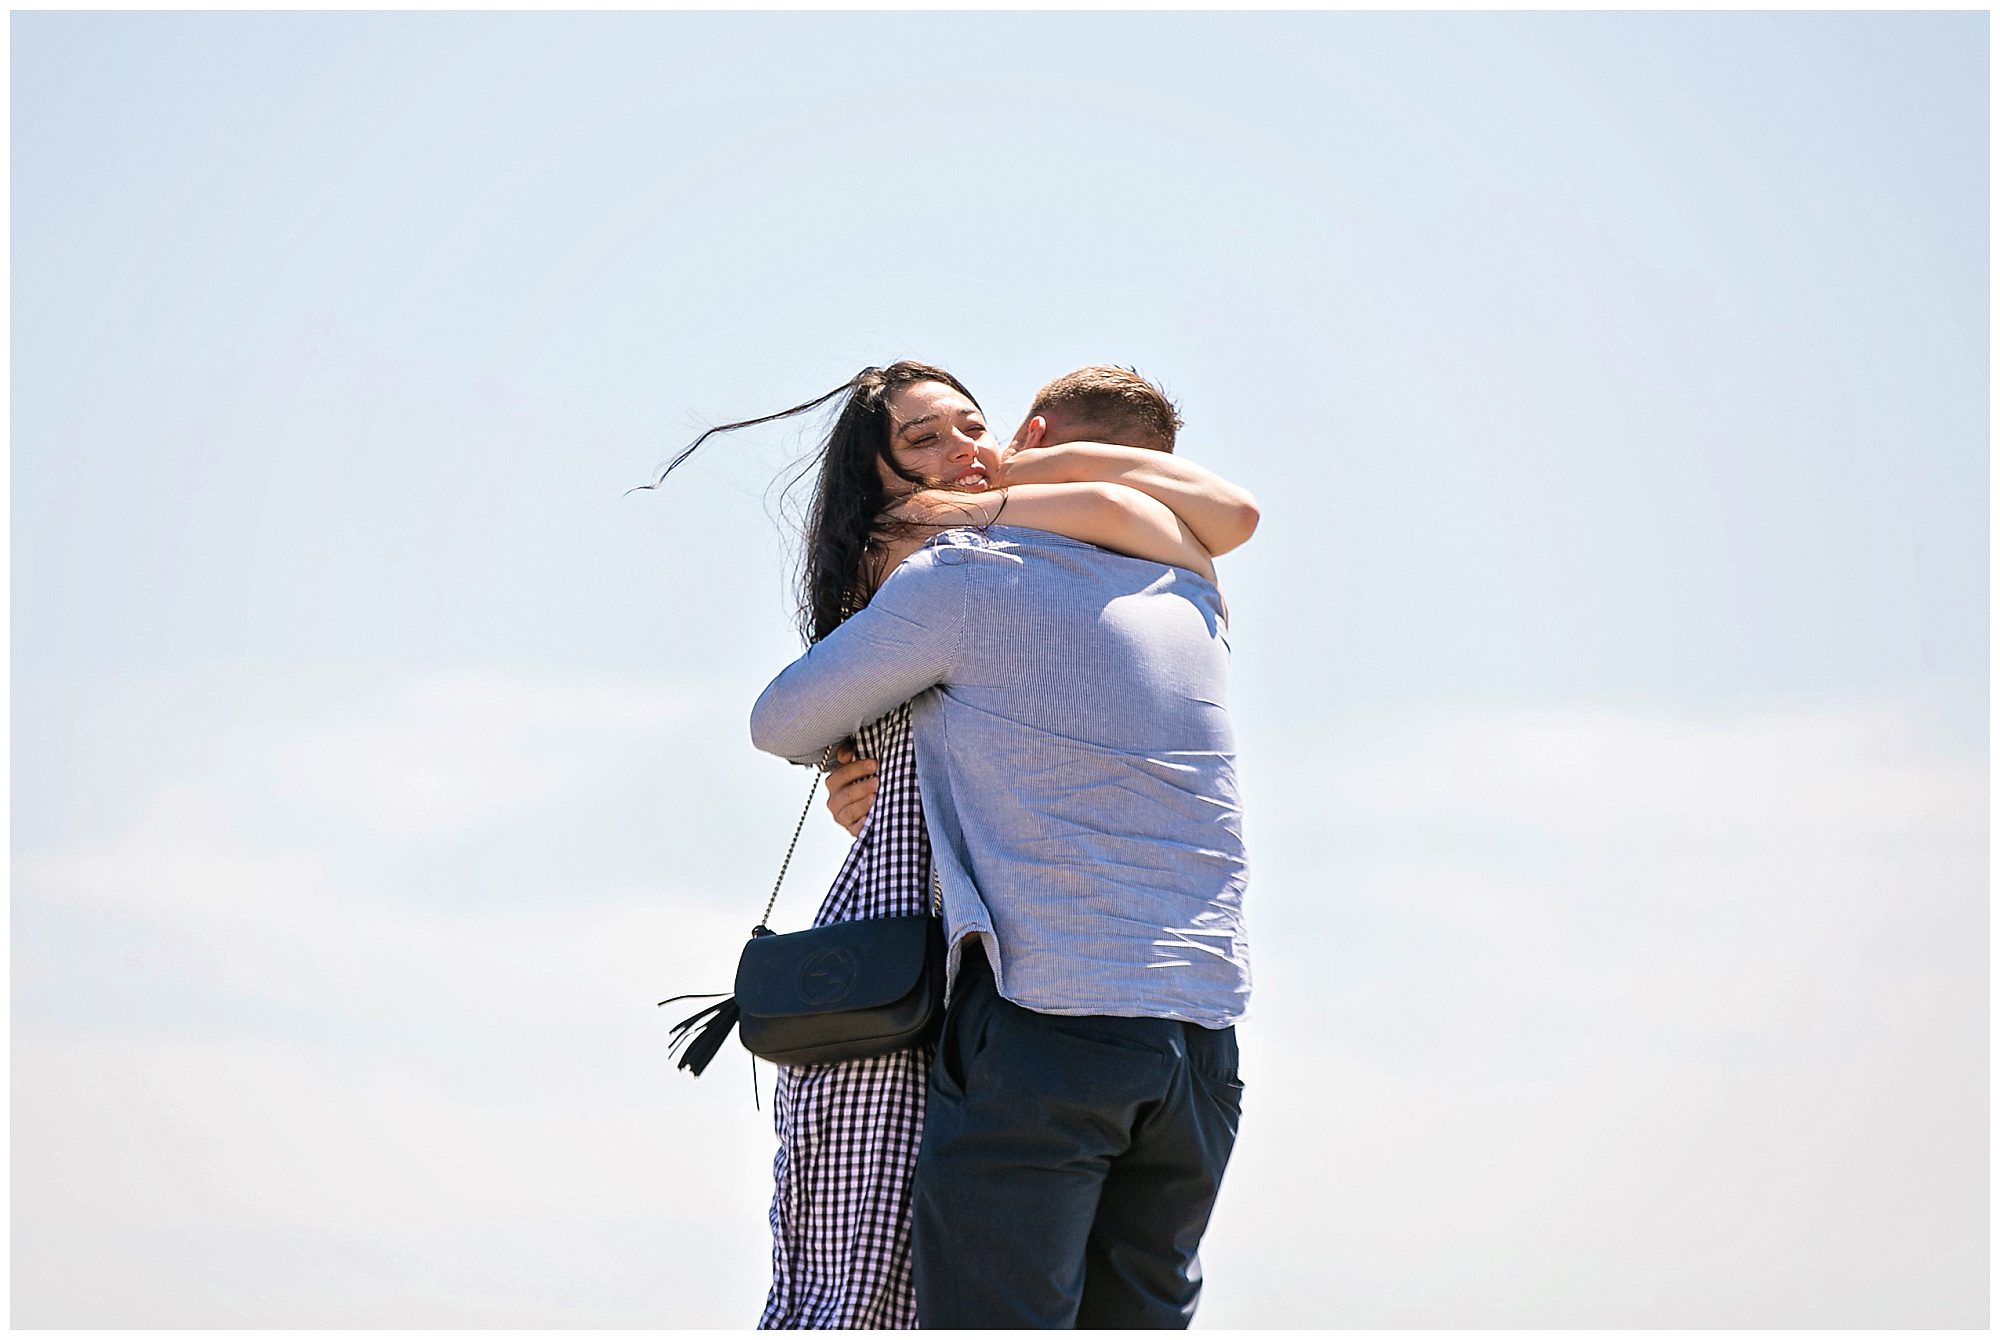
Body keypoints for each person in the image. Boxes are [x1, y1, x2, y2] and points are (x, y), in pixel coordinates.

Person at [657, 361, 1251, 1329]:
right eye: (922, 439)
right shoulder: (1185, 584)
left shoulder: (968, 578)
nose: (959, 452)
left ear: (1026, 432)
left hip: (1044, 1017)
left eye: (973, 428)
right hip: (1199, 1037)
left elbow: (780, 718)